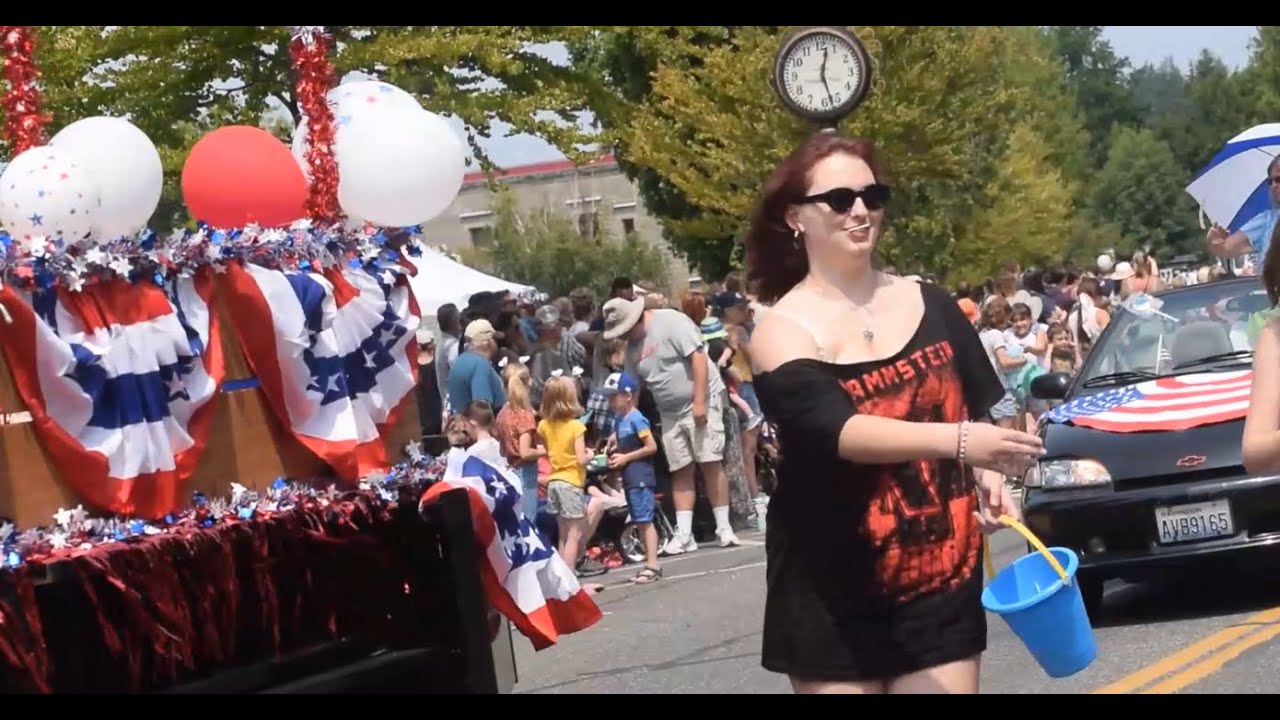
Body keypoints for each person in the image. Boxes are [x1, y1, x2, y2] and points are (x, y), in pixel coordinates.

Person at [743, 132, 1044, 694]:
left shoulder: (930, 302)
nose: (859, 210)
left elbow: (985, 403)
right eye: (838, 199)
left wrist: (987, 473)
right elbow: (840, 430)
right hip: (829, 591)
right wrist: (960, 443)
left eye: (872, 196)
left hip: (940, 579)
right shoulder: (782, 329)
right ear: (795, 217)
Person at [602, 371, 662, 584]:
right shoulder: (620, 420)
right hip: (630, 476)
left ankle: (653, 564)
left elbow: (651, 446)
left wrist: (626, 457)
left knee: (645, 520)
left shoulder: (637, 419)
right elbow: (624, 438)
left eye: (613, 396)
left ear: (627, 395)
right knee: (638, 518)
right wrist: (614, 443)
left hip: (640, 475)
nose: (610, 402)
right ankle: (648, 562)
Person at [1208, 156, 1280, 267]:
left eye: (1279, 180)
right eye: (1271, 181)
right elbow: (1226, 248)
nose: (1274, 185)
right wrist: (1215, 242)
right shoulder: (1266, 220)